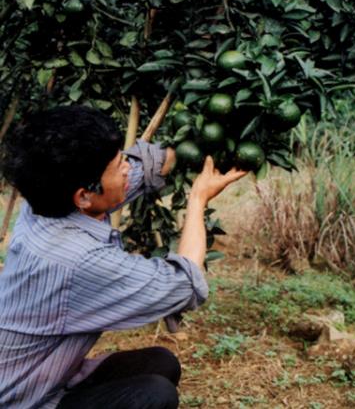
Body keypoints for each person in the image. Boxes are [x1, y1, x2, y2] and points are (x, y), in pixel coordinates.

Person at [0, 105, 246, 409]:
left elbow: (146, 167)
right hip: (23, 401)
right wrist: (198, 199)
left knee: (161, 362)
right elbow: (184, 283)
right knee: (154, 395)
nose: (127, 167)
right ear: (84, 195)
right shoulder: (75, 260)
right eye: (118, 166)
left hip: (49, 377)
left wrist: (200, 145)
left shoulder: (47, 200)